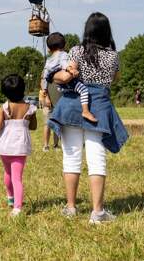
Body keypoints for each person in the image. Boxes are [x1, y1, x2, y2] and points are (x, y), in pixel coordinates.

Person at [48, 12, 128, 225]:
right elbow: (114, 79)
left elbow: (66, 74)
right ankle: (97, 212)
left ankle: (71, 207)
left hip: (71, 106)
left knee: (71, 157)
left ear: (87, 30)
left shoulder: (75, 50)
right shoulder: (113, 56)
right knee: (96, 160)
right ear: (106, 31)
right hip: (99, 108)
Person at [0, 75, 38, 217]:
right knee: (17, 177)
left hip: (5, 147)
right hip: (20, 147)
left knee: (8, 173)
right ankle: (17, 208)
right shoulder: (30, 108)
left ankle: (11, 198)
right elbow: (33, 127)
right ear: (23, 90)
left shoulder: (4, 107)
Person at [41, 32, 97, 125]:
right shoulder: (63, 54)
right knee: (84, 90)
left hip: (59, 85)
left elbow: (45, 77)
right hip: (69, 82)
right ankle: (85, 111)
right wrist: (71, 70)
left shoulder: (48, 60)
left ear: (49, 48)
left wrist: (45, 91)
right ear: (64, 45)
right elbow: (64, 64)